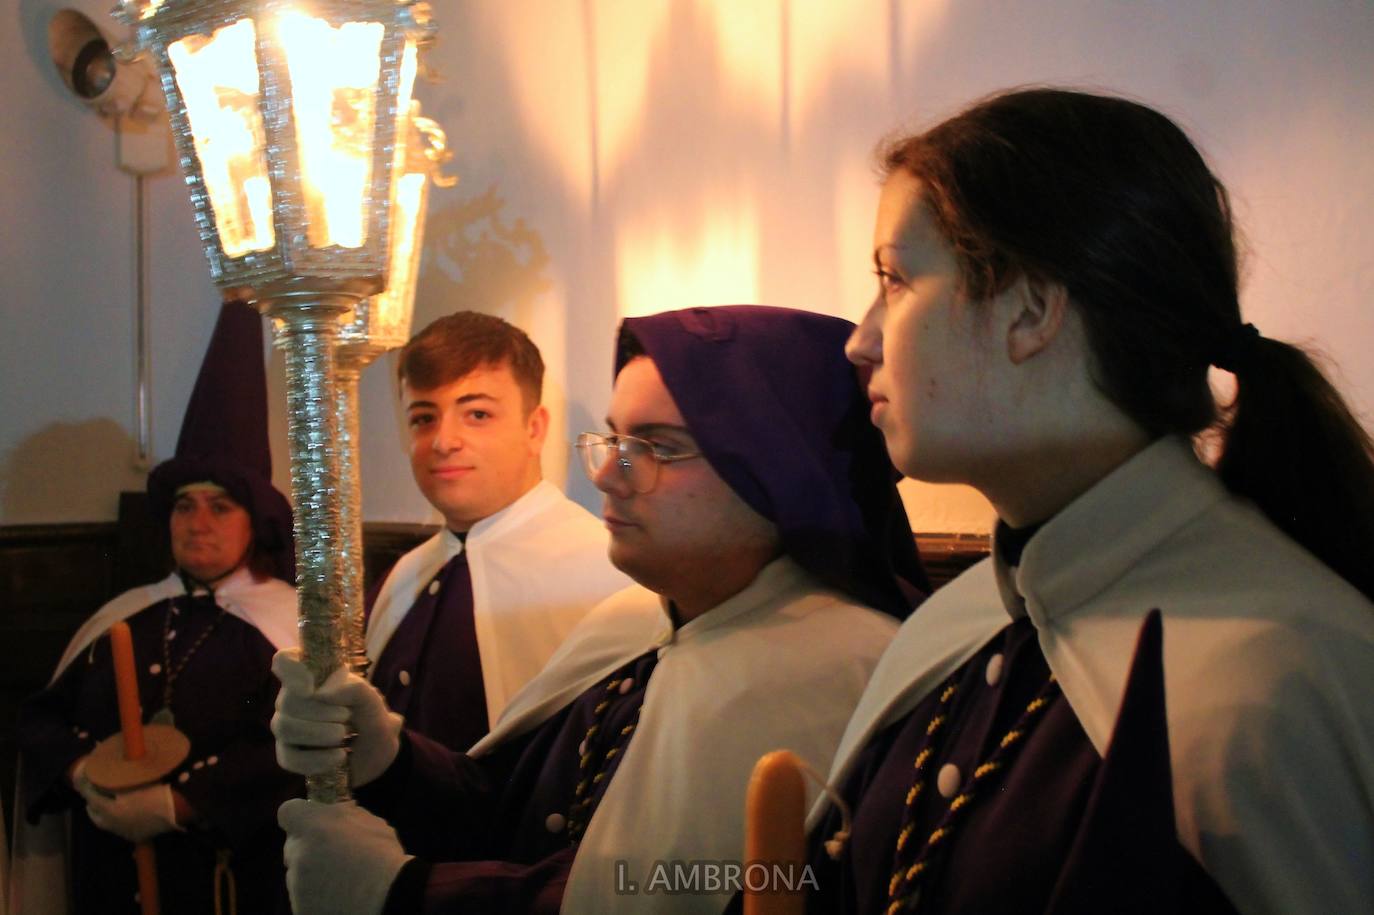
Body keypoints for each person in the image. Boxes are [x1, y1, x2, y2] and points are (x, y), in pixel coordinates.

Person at [803, 87, 1374, 914]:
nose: (860, 340)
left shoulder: (1277, 682)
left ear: (1031, 311)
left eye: (894, 280)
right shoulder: (953, 626)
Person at [271, 304, 929, 915]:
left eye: (658, 446)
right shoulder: (635, 620)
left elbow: (659, 894)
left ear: (781, 471)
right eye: (615, 439)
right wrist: (391, 761)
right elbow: (514, 812)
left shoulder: (839, 667)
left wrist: (407, 894)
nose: (607, 474)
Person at [13, 301, 303, 914]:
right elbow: (39, 721)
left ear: (255, 522)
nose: (197, 523)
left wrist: (182, 803)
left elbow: (290, 755)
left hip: (224, 886)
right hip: (107, 884)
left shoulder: (288, 634)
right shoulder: (123, 618)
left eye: (220, 507)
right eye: (183, 506)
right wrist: (82, 771)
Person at [364, 311, 630, 753]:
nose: (444, 441)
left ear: (534, 429)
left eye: (477, 414)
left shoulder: (606, 573)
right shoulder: (401, 576)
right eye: (423, 418)